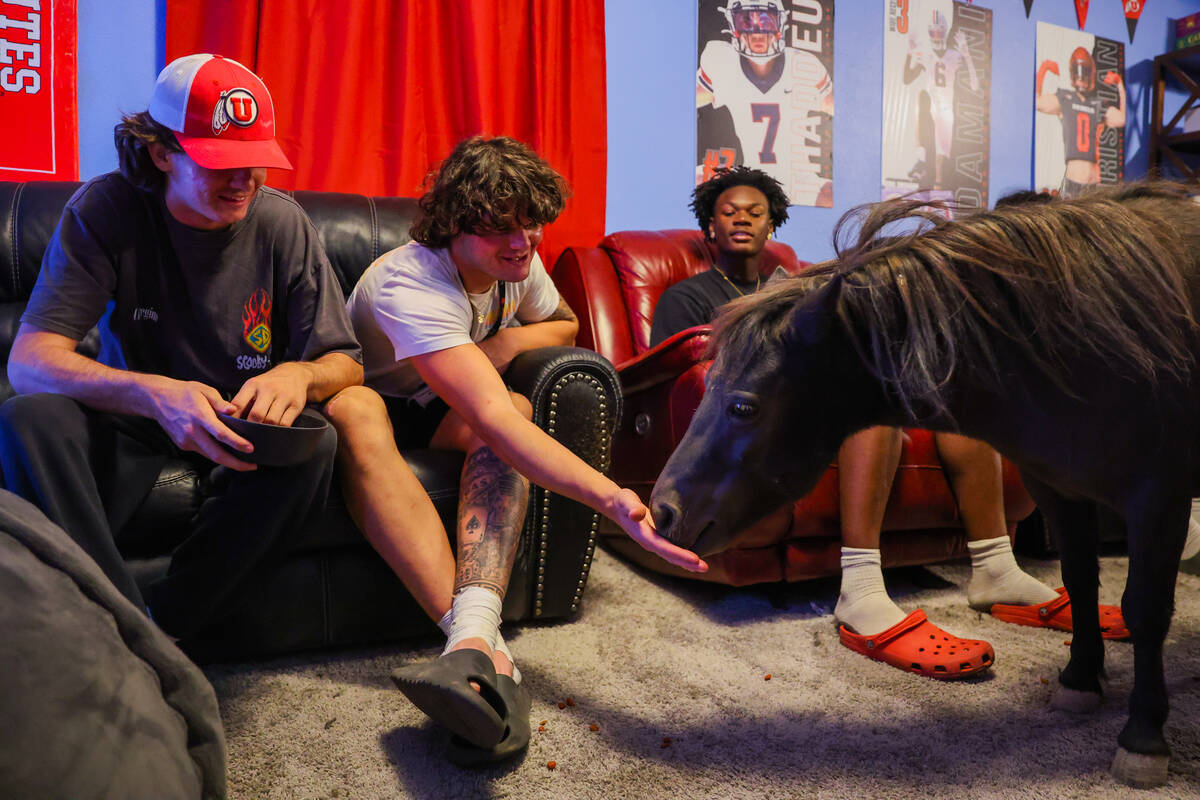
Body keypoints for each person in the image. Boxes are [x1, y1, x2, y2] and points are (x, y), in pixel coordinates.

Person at [651, 167, 1130, 681]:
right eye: (728, 212)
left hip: (802, 409)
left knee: (950, 403)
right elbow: (693, 374)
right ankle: (859, 589)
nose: (741, 219)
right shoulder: (687, 296)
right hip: (769, 425)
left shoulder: (794, 290)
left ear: (774, 226)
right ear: (709, 226)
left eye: (755, 212)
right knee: (865, 412)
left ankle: (995, 567)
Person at [326, 136, 706, 765]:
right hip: (381, 412)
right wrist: (615, 499)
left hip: (442, 410)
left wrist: (501, 348)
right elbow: (495, 419)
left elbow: (565, 324)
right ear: (451, 225)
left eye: (531, 223)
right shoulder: (409, 284)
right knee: (365, 411)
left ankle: (471, 640)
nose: (523, 242)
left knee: (524, 405)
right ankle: (476, 639)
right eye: (500, 228)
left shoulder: (516, 264)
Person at [0, 54, 363, 638]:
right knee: (28, 420)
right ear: (162, 152)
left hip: (241, 421)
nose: (244, 180)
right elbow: (29, 360)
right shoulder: (105, 210)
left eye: (256, 162)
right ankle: (106, 623)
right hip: (141, 416)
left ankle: (163, 631)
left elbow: (345, 361)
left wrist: (297, 376)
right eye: (223, 163)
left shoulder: (283, 223)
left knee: (315, 444)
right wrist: (154, 395)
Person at [696, 0, 833, 207]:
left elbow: (838, 111)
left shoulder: (805, 65)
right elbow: (682, 106)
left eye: (765, 21)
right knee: (700, 178)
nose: (757, 32)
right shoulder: (721, 61)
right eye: (746, 21)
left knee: (829, 193)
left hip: (799, 180)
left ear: (779, 24)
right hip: (744, 178)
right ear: (733, 25)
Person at [1036, 46, 1125, 199]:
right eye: (1078, 71)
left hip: (1094, 181)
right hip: (1074, 180)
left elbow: (1121, 120)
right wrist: (1043, 69)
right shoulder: (1065, 98)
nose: (1081, 77)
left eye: (1084, 71)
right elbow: (1037, 103)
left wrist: (1120, 86)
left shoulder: (1097, 104)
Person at [902, 10, 978, 190]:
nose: (936, 36)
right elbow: (906, 79)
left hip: (945, 110)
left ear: (945, 32)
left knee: (940, 160)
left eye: (938, 32)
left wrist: (967, 56)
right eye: (932, 32)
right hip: (930, 107)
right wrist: (909, 52)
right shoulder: (925, 53)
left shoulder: (954, 55)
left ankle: (938, 189)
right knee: (921, 100)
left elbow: (974, 86)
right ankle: (921, 164)